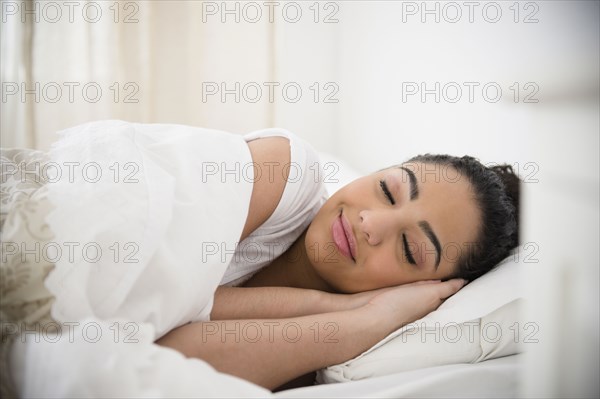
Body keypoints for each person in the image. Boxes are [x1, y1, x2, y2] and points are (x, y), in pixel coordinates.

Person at [0, 121, 519, 394]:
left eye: (410, 248)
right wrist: (336, 313)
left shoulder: (301, 369)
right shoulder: (285, 175)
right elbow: (105, 297)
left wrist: (357, 327)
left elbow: (159, 353)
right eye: (387, 190)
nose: (371, 224)